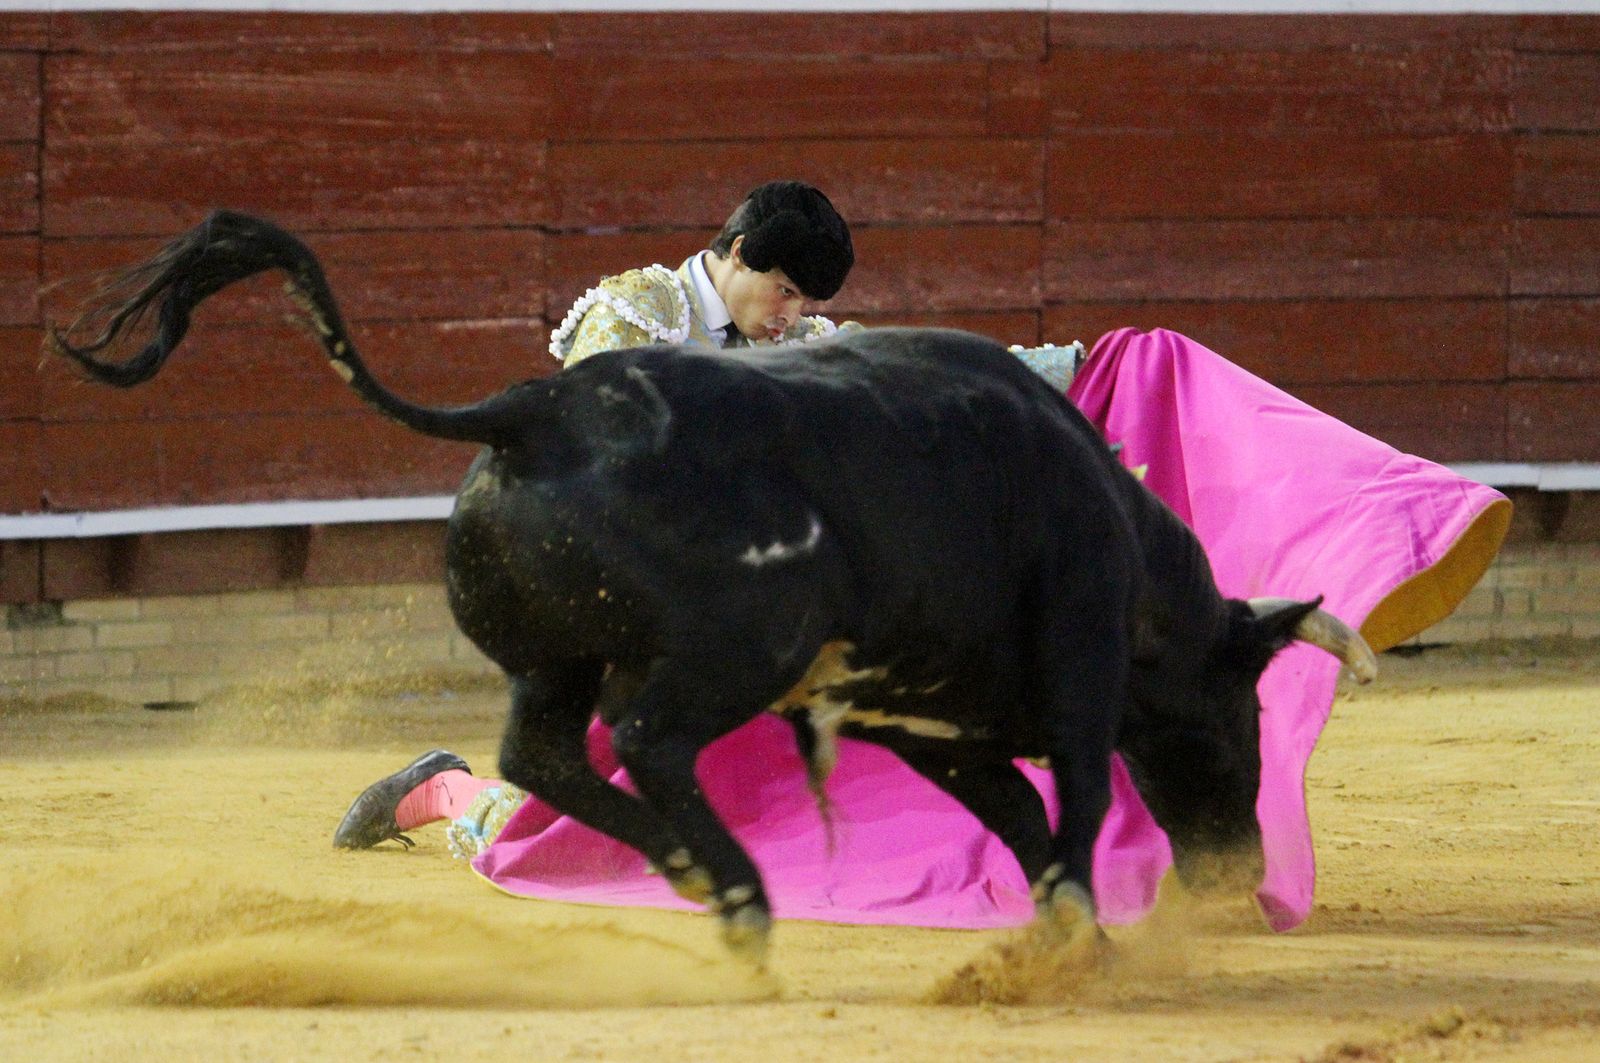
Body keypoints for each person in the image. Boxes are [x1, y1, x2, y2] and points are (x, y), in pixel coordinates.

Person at [334, 181, 1510, 935]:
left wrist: (1082, 369)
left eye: (803, 300)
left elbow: (916, 375)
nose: (789, 314)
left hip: (734, 597)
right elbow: (612, 446)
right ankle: (446, 792)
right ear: (730, 254)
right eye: (780, 288)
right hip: (609, 588)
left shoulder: (793, 340)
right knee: (580, 806)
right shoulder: (630, 314)